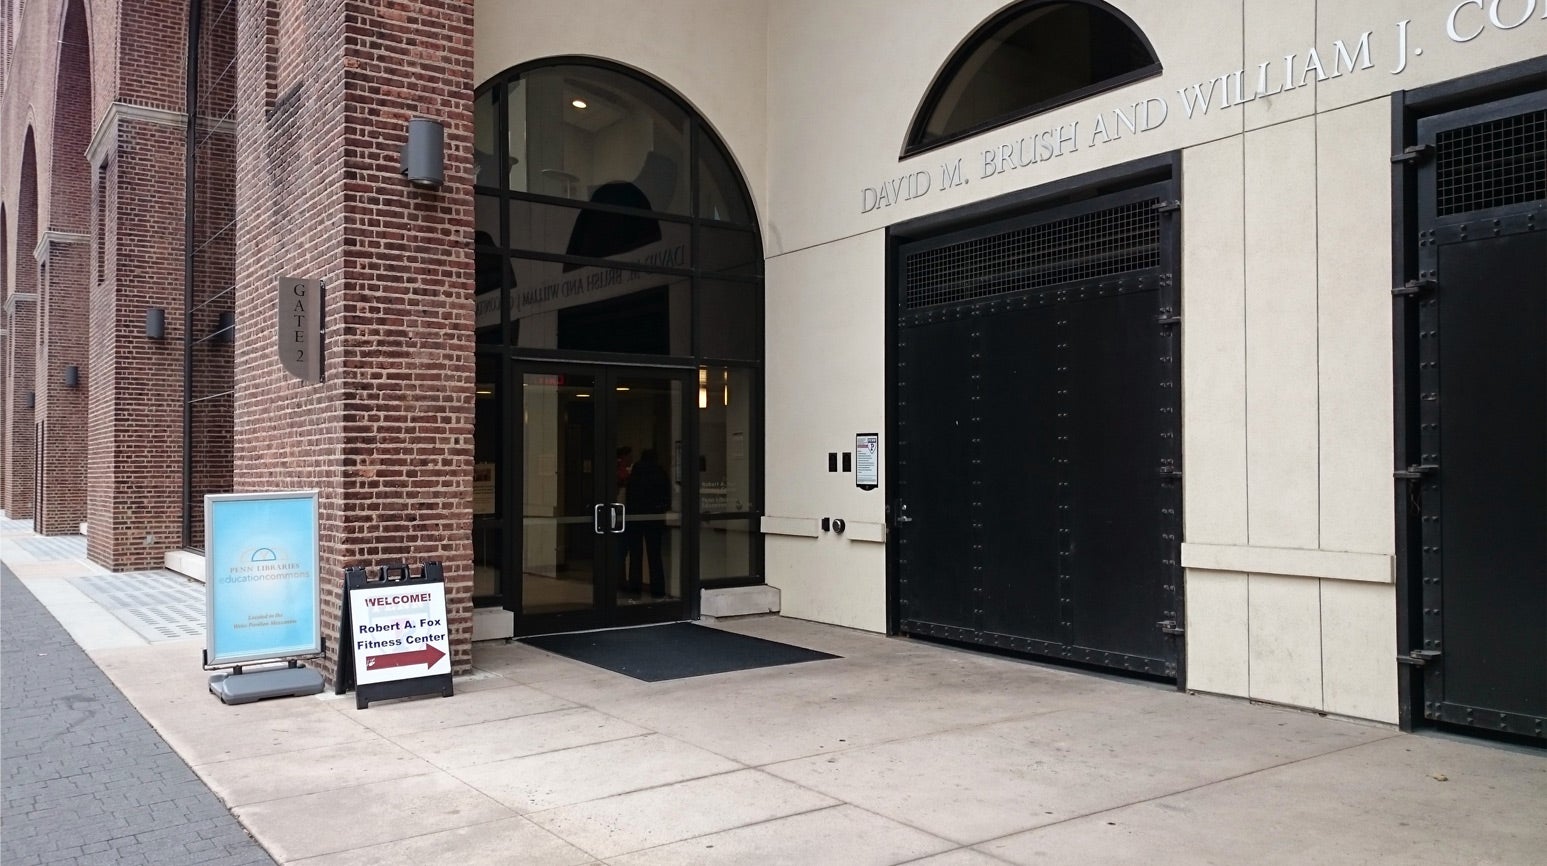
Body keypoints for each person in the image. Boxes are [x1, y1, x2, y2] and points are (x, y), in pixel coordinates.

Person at [624, 448, 671, 598]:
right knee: (655, 555)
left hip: (635, 518)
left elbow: (629, 496)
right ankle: (658, 590)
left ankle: (634, 589)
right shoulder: (660, 473)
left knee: (635, 556)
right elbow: (666, 497)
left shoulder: (636, 473)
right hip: (653, 518)